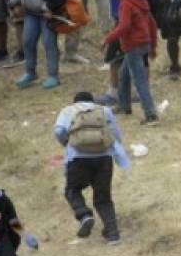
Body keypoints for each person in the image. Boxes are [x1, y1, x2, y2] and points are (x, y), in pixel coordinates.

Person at [53, 91, 131, 245]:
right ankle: (113, 234)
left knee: (72, 190)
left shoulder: (68, 110)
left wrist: (67, 143)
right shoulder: (104, 110)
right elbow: (115, 133)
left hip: (77, 158)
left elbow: (58, 131)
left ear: (75, 101)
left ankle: (84, 215)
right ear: (93, 101)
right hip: (104, 158)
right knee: (103, 197)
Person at [97, 0, 147, 105]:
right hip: (120, 17)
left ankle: (116, 93)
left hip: (128, 19)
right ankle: (124, 92)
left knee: (116, 56)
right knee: (122, 57)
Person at [102, 0, 158, 123]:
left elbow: (124, 26)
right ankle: (124, 105)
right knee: (123, 74)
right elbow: (151, 23)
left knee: (139, 80)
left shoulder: (125, 3)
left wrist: (107, 39)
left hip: (133, 45)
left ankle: (150, 114)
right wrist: (152, 45)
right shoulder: (141, 1)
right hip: (143, 43)